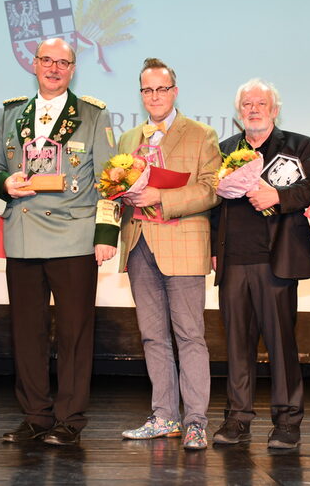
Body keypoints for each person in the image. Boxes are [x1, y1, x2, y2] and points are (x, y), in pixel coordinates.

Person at [0, 37, 119, 446]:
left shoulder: (92, 114)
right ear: (34, 64)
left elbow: (111, 179)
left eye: (63, 62)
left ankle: (69, 419)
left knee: (75, 334)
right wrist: (5, 183)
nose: (54, 68)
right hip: (22, 236)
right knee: (27, 332)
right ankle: (36, 416)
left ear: (73, 69)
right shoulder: (10, 114)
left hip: (74, 237)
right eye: (47, 60)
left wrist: (106, 235)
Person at [210, 79, 310, 449]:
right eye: (246, 104)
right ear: (238, 112)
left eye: (261, 104)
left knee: (281, 344)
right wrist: (214, 248)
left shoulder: (298, 145)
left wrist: (279, 195)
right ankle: (238, 418)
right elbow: (215, 209)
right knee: (237, 345)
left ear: (275, 110)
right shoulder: (226, 149)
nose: (253, 109)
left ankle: (288, 421)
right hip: (233, 262)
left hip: (276, 261)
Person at [117, 58, 221, 450]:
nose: (154, 96)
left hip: (184, 243)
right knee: (152, 337)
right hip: (139, 242)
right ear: (141, 94)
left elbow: (212, 189)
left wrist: (163, 196)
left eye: (161, 89)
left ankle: (196, 421)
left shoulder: (201, 134)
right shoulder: (129, 139)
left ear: (175, 92)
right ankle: (164, 416)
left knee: (190, 336)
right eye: (147, 90)